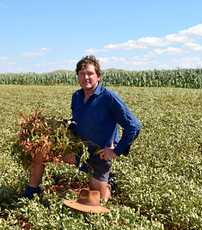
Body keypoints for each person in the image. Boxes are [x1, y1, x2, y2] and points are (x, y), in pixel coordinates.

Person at [23, 55, 141, 202]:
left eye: (90, 73)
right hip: (79, 147)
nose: (86, 77)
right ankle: (32, 191)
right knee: (40, 149)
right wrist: (56, 129)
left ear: (98, 76)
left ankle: (107, 185)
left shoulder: (108, 97)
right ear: (77, 76)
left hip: (100, 153)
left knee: (97, 201)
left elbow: (134, 126)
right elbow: (79, 121)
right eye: (82, 74)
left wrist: (116, 151)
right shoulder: (77, 96)